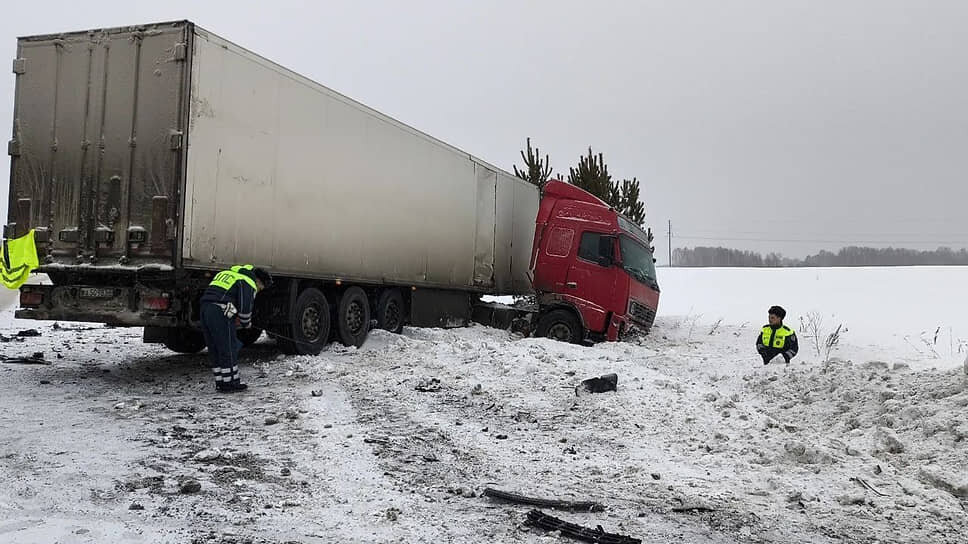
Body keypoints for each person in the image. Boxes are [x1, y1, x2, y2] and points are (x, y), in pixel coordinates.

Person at [200, 264, 272, 392]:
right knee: (229, 347)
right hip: (220, 312)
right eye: (261, 287)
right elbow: (245, 309)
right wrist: (246, 323)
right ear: (258, 281)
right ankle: (231, 383)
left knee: (215, 347)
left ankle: (220, 382)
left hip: (205, 309)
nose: (259, 290)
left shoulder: (229, 274)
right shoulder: (247, 281)